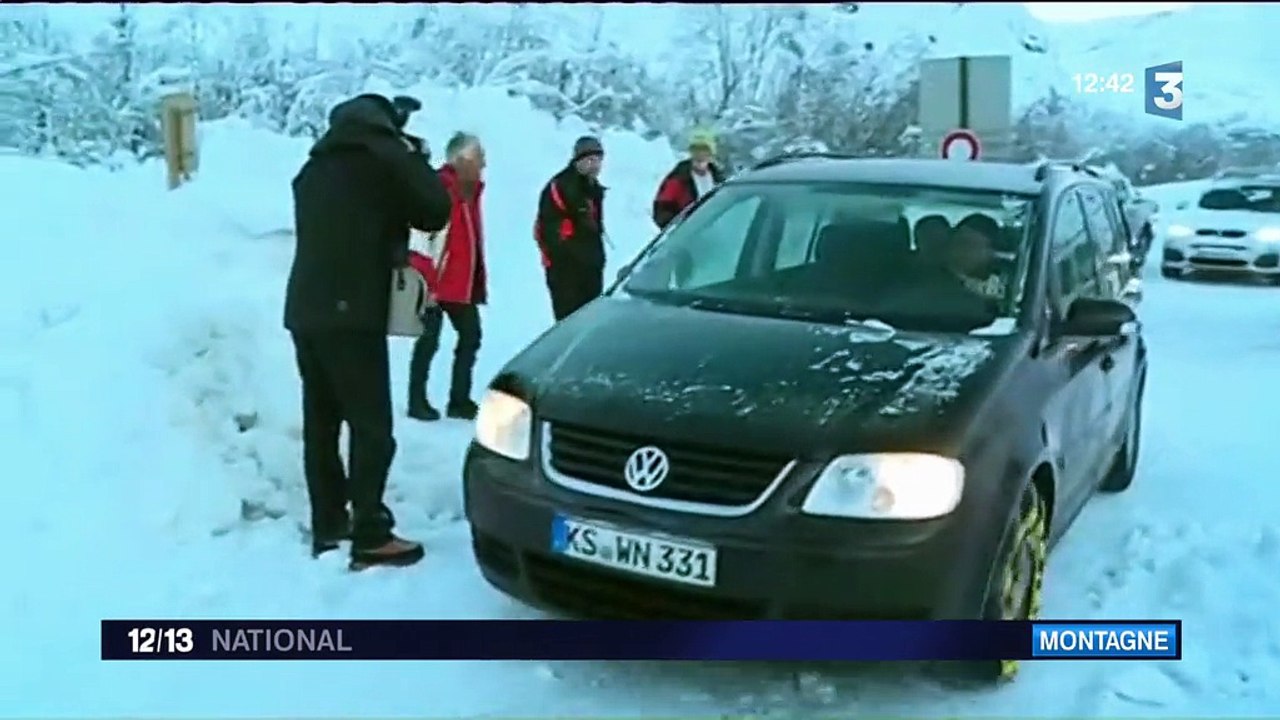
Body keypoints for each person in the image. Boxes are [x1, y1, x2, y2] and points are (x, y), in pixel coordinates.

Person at [284, 93, 452, 568]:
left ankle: (329, 523)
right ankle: (371, 533)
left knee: (322, 424)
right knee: (371, 425)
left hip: (305, 310)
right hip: (353, 311)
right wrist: (414, 156)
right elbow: (434, 210)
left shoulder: (312, 169)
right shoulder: (384, 157)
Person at [407, 132, 488, 422]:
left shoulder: (471, 191)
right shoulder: (440, 188)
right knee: (429, 340)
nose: (484, 164)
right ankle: (416, 401)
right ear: (462, 160)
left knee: (470, 336)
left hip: (461, 283)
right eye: (479, 157)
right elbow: (421, 238)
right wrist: (426, 281)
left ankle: (459, 399)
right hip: (436, 282)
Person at [535, 136, 607, 321]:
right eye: (589, 160)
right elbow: (548, 230)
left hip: (589, 267)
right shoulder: (561, 187)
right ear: (578, 161)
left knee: (589, 321)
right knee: (569, 322)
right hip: (566, 271)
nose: (595, 165)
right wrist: (567, 257)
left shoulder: (592, 188)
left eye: (598, 160)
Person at [652, 128, 726, 229]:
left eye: (704, 150)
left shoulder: (719, 178)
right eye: (696, 150)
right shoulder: (678, 178)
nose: (700, 156)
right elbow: (661, 210)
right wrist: (680, 228)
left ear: (711, 153)